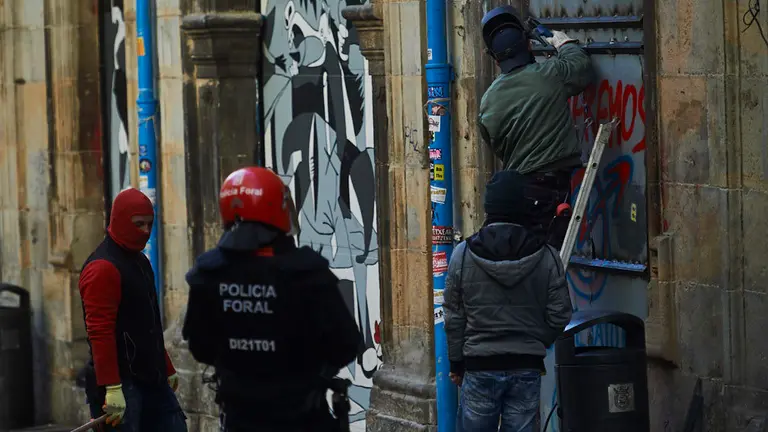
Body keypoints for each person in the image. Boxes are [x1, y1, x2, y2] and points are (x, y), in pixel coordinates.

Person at [182, 166, 363, 432]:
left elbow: (200, 345)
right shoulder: (306, 273)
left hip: (240, 417)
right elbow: (346, 344)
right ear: (276, 207)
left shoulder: (209, 273)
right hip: (302, 417)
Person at [443, 170, 573, 432]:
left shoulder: (463, 254)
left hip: (479, 367)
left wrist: (457, 363)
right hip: (525, 367)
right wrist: (535, 340)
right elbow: (560, 314)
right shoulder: (547, 256)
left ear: (489, 207)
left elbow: (453, 316)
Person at [478, 5, 596, 247]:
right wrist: (560, 42)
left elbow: (495, 144)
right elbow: (581, 67)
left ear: (495, 58)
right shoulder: (548, 74)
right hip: (553, 186)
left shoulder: (488, 101)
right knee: (546, 260)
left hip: (519, 189)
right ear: (528, 44)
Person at [78, 188, 187, 432]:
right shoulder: (102, 269)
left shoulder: (140, 261)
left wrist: (165, 365)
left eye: (150, 224)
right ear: (120, 220)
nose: (146, 231)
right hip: (122, 385)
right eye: (139, 224)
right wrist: (111, 386)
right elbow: (100, 331)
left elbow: (147, 324)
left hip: (151, 379)